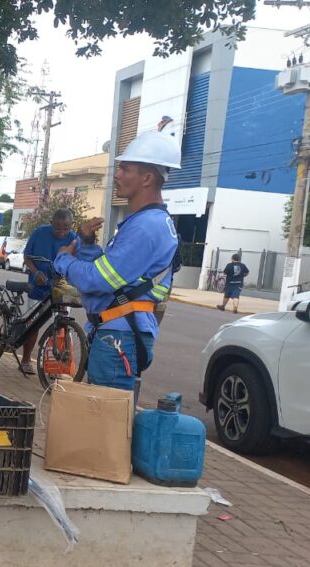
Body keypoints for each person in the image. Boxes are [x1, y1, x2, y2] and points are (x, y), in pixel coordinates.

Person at [54, 131, 181, 397]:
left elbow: (97, 280)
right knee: (108, 416)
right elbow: (113, 274)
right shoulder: (147, 222)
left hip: (118, 337)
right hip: (118, 332)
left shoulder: (146, 227)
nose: (117, 175)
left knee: (106, 419)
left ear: (147, 178)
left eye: (125, 169)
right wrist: (88, 244)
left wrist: (64, 259)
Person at [19, 208, 78, 375]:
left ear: (71, 225)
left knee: (61, 326)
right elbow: (27, 257)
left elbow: (77, 262)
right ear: (51, 223)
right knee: (33, 325)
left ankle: (56, 367)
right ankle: (25, 360)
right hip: (38, 287)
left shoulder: (74, 239)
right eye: (57, 227)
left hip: (61, 289)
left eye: (66, 228)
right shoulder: (39, 233)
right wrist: (35, 272)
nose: (61, 232)